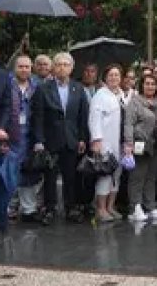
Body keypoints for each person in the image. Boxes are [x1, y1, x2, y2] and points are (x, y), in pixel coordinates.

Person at [30, 52, 89, 224]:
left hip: (71, 139)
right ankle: (49, 208)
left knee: (70, 176)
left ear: (71, 68)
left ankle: (70, 208)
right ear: (53, 68)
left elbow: (82, 117)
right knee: (50, 177)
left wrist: (82, 138)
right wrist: (39, 140)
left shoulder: (78, 88)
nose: (62, 67)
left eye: (66, 64)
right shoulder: (43, 88)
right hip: (50, 140)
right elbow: (38, 116)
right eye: (59, 64)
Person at [88, 65, 126, 223]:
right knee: (104, 176)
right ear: (105, 77)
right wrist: (96, 139)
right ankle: (100, 209)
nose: (114, 78)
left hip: (120, 142)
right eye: (111, 75)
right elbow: (94, 119)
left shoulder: (121, 94)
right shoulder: (100, 95)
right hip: (105, 142)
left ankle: (111, 206)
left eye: (117, 75)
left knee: (116, 175)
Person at [125, 74, 157, 222]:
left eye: (153, 84)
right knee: (137, 176)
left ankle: (150, 205)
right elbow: (128, 124)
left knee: (151, 176)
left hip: (155, 144)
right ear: (141, 85)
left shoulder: (156, 102)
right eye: (147, 84)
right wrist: (128, 143)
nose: (150, 87)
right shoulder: (134, 103)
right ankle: (135, 206)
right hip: (139, 143)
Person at [12, 56, 43, 223]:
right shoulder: (7, 86)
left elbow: (40, 113)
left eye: (27, 67)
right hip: (11, 136)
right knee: (9, 172)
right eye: (21, 66)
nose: (24, 70)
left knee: (29, 173)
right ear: (15, 68)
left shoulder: (37, 86)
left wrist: (39, 139)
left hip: (29, 135)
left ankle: (29, 209)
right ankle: (8, 208)